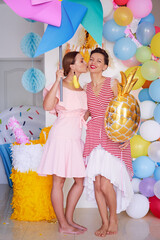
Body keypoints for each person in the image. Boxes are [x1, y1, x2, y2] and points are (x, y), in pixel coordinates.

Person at [83, 48, 134, 237]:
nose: (93, 62)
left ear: (105, 66)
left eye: (99, 60)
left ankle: (113, 219)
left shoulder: (112, 83)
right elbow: (85, 112)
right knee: (97, 185)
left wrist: (126, 135)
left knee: (105, 184)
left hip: (111, 135)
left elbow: (125, 109)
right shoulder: (85, 88)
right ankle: (104, 223)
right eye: (91, 59)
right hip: (93, 137)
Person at [37, 51, 88, 235]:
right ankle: (63, 224)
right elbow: (47, 106)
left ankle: (69, 219)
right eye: (81, 60)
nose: (86, 62)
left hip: (75, 139)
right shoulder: (58, 85)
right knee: (58, 181)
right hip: (60, 138)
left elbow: (83, 115)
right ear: (71, 66)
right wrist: (56, 80)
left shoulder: (83, 89)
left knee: (79, 181)